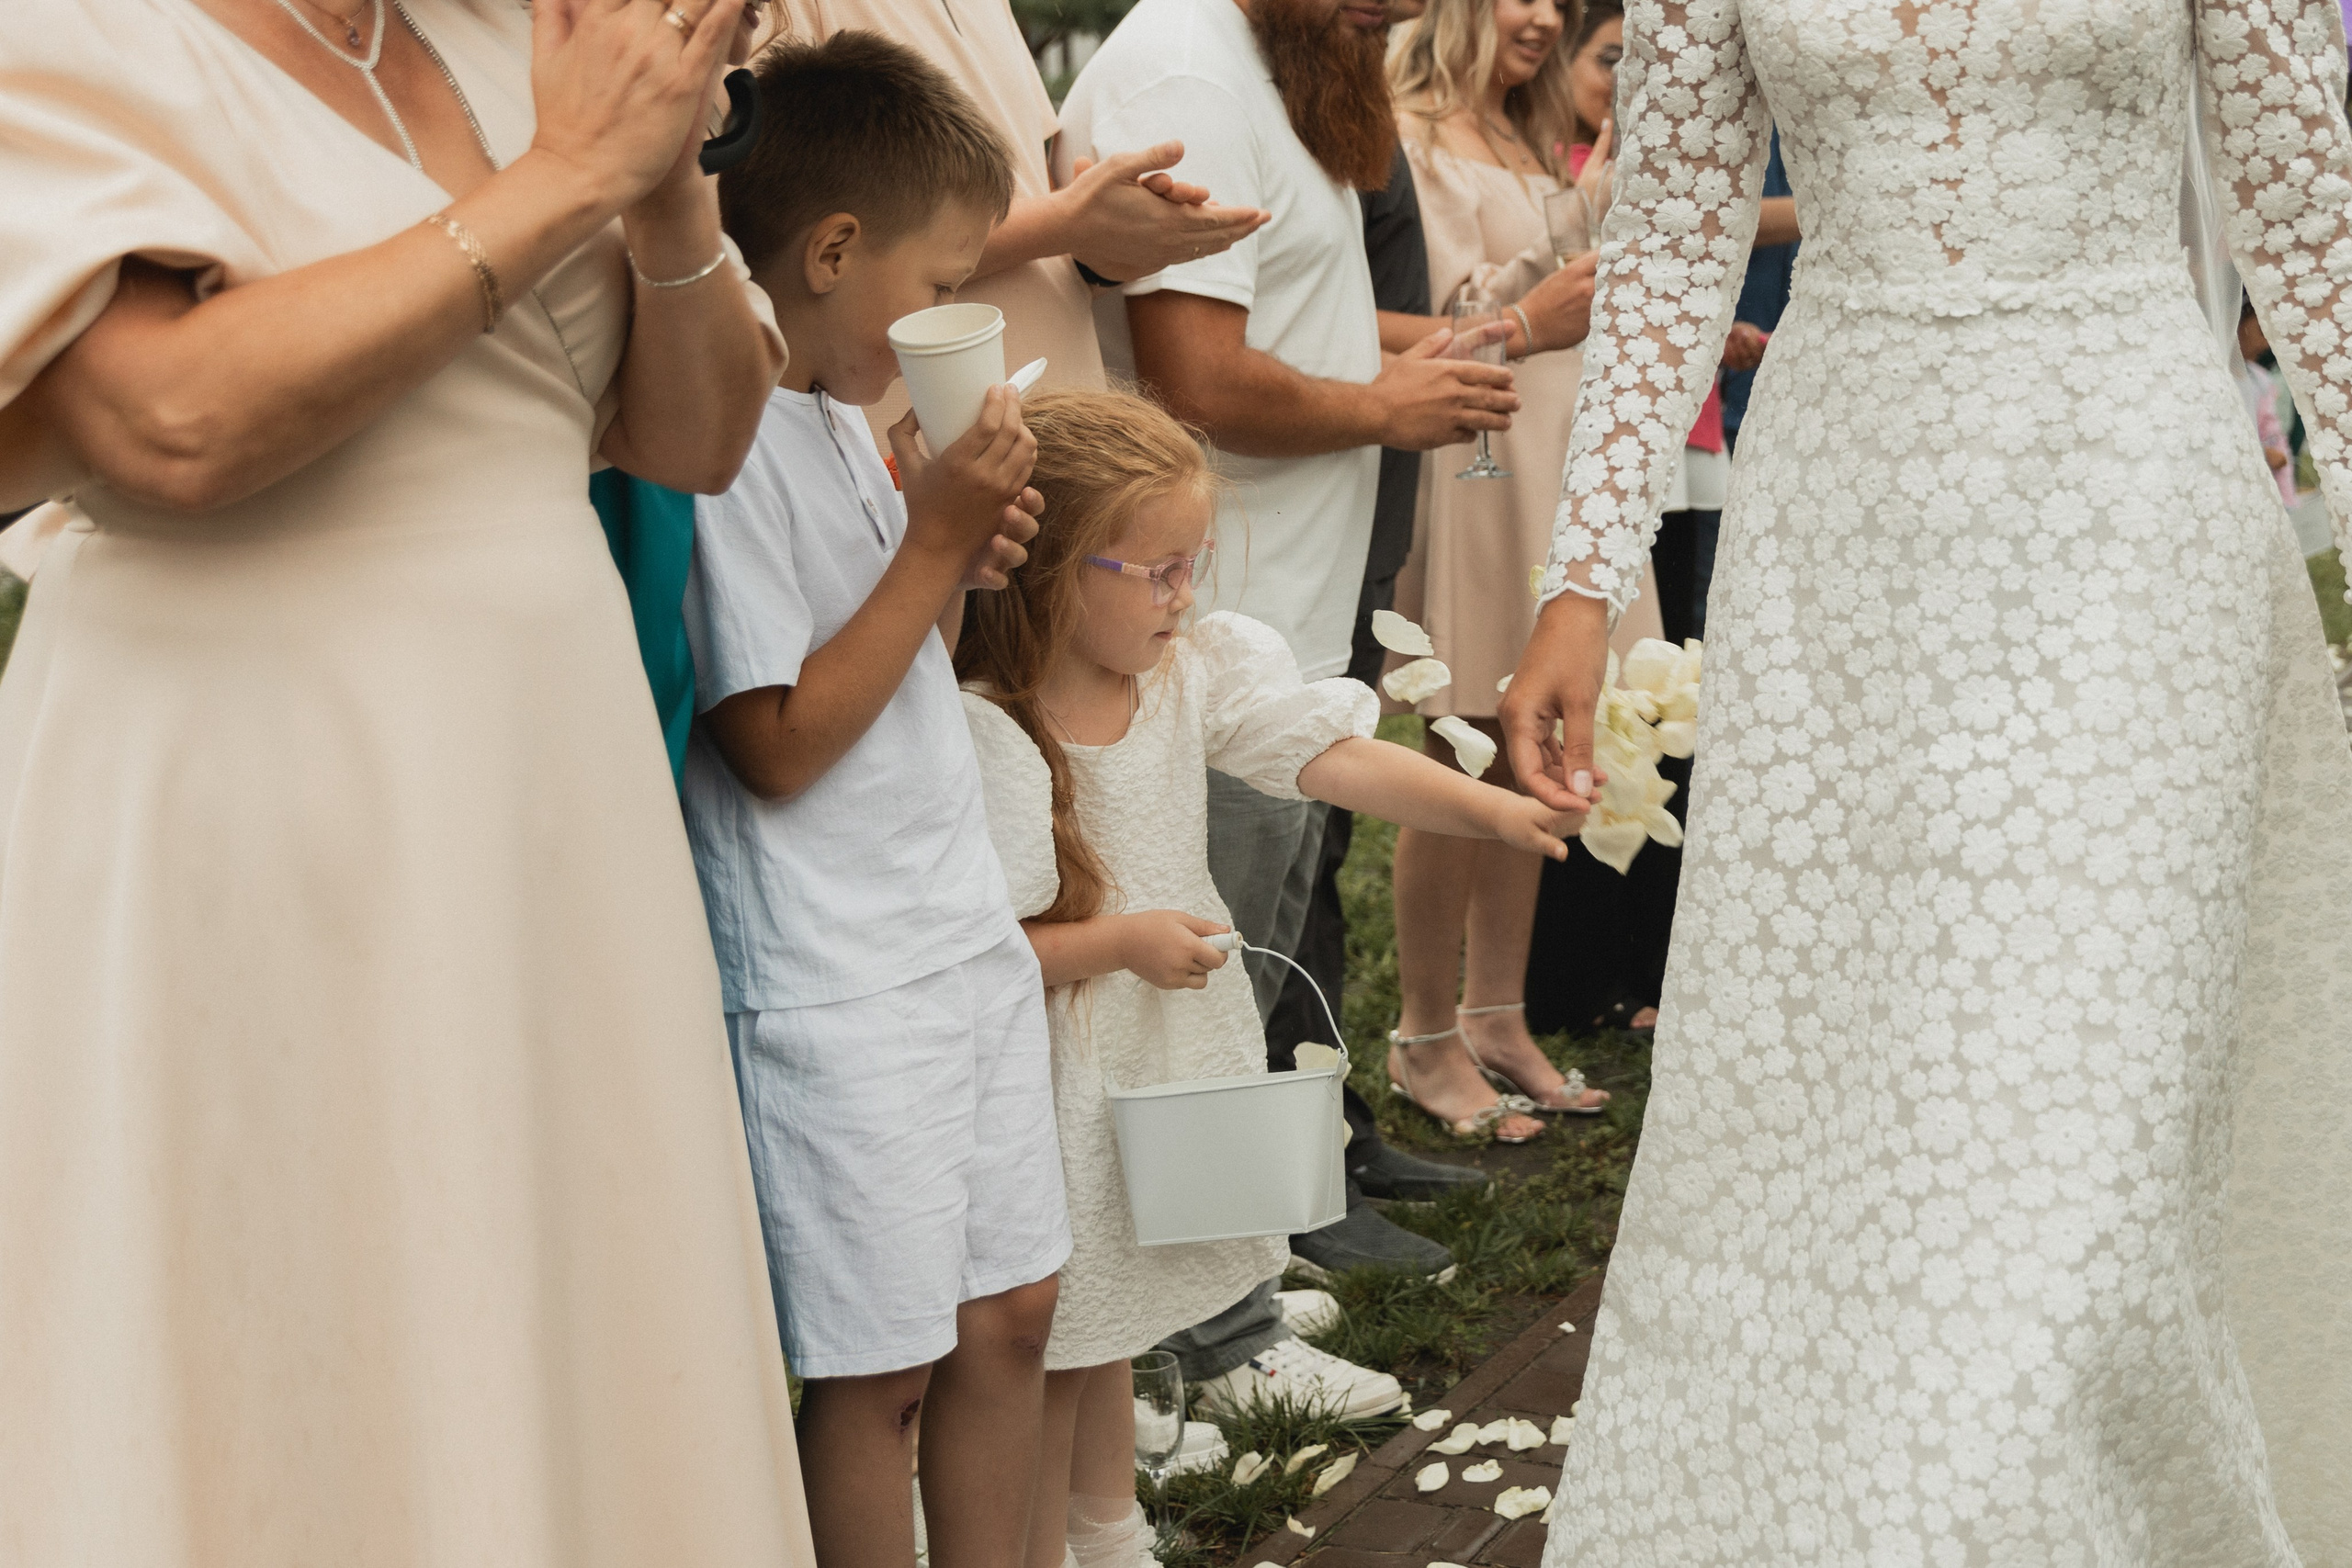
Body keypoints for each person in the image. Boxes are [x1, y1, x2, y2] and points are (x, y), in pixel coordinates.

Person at [1504, 1, 2352, 1560]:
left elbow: (2306, 211)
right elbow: (1675, 233)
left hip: (2128, 512)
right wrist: (1581, 575)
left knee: (2102, 1090)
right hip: (1848, 531)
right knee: (1867, 1075)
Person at [0, 0, 815, 1561]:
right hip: (247, 771)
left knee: (553, 1272)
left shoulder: (523, 33)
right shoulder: (76, 37)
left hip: (539, 775)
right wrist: (575, 166)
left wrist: (662, 176)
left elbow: (697, 439)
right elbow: (170, 422)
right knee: (285, 1287)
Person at [955, 388, 1589, 1568]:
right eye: (1155, 570)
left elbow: (1329, 758)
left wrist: (1495, 811)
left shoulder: (1185, 678)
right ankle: (1045, 1541)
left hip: (1155, 1061)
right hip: (1045, 1073)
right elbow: (979, 952)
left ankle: (1107, 1524)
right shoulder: (989, 726)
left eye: (1192, 565)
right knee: (1060, 1330)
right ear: (1048, 572)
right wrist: (1120, 943)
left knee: (1112, 1319)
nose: (1184, 595)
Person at [1056, 0, 1524, 1398]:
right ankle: (1198, 1344)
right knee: (1186, 996)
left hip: (1274, 609)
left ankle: (1221, 1289)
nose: (1395, 11)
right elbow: (1191, 375)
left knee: (1235, 979)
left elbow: (1292, 307)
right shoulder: (1191, 66)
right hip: (1189, 620)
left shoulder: (1272, 61)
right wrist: (1389, 408)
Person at [681, 35, 1060, 1568]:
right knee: (879, 1369)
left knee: (1012, 1309)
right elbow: (774, 737)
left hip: (950, 924)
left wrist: (952, 562)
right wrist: (928, 551)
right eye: (939, 278)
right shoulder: (722, 447)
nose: (946, 316)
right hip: (836, 976)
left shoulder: (846, 414)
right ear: (832, 253)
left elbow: (907, 675)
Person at [1380, 0, 1621, 1143]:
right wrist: (1544, 280)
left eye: (1553, 6)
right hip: (1472, 457)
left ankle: (1497, 1013)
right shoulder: (1407, 132)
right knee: (1457, 740)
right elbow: (1427, 319)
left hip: (1551, 443)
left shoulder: (1528, 137)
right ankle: (1423, 1032)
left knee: (1541, 746)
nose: (1540, 18)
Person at [772, 0, 1270, 446]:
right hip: (912, 479)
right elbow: (777, 237)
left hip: (1057, 465)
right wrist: (1067, 221)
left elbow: (1034, 208)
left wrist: (1100, 256)